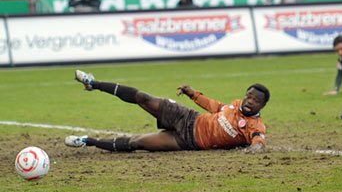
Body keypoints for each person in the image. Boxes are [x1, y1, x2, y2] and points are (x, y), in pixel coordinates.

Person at [65, 70, 269, 153]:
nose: (250, 101)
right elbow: (215, 106)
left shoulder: (255, 126)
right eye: (249, 96)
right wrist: (193, 94)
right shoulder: (234, 105)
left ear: (262, 106)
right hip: (187, 117)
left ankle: (87, 141)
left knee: (138, 142)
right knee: (144, 98)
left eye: (256, 101)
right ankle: (94, 83)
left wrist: (255, 148)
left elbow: (258, 140)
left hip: (188, 142)